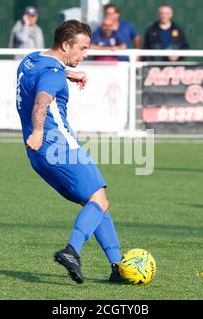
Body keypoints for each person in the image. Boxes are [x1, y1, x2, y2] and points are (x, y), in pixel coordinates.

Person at [16, 20, 123, 284]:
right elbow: (42, 100)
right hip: (59, 146)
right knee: (99, 198)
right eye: (82, 48)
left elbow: (46, 72)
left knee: (95, 203)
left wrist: (69, 73)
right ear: (66, 45)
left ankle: (118, 266)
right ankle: (72, 250)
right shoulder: (52, 73)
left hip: (38, 155)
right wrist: (39, 130)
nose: (85, 54)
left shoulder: (32, 60)